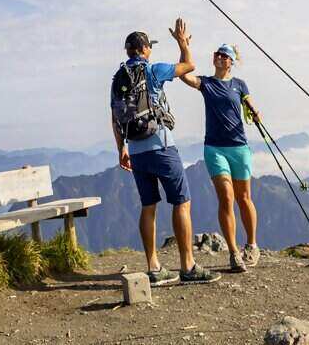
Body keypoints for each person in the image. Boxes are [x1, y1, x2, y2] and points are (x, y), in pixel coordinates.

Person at [110, 19, 220, 285]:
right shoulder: (154, 70)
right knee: (181, 202)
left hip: (135, 150)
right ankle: (188, 266)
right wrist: (183, 43)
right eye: (150, 47)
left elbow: (114, 117)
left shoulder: (118, 79)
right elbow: (188, 67)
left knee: (148, 206)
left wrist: (122, 149)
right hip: (161, 146)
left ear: (128, 51)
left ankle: (154, 268)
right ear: (145, 49)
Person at [179, 43, 261, 271]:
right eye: (217, 54)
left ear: (231, 62)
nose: (219, 57)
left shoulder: (239, 85)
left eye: (224, 55)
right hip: (215, 148)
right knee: (226, 197)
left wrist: (255, 114)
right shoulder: (206, 83)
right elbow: (184, 76)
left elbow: (251, 106)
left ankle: (252, 245)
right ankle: (234, 253)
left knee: (244, 198)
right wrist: (184, 45)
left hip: (239, 147)